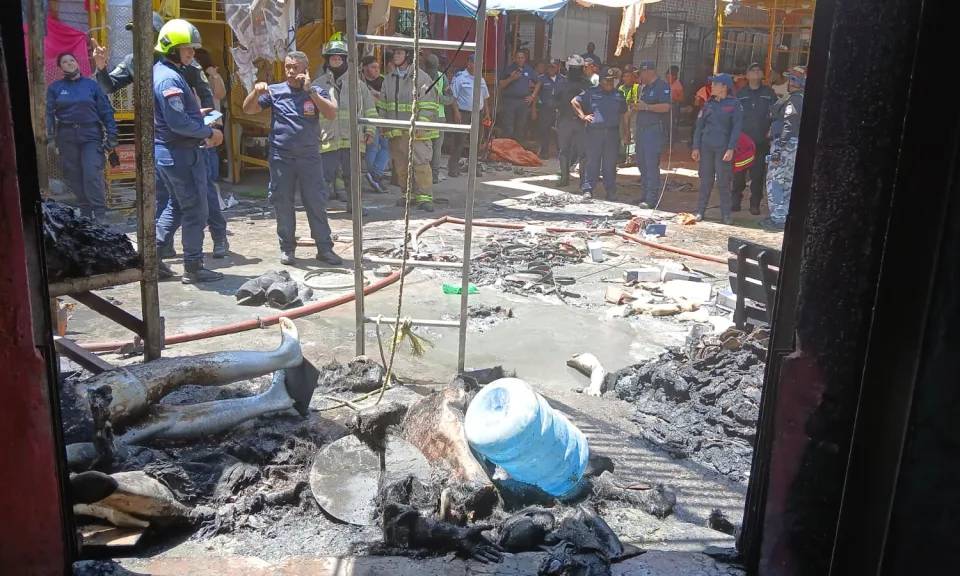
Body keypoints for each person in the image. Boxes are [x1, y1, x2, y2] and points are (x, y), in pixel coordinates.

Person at [242, 51, 341, 265]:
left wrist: (310, 92)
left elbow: (332, 113)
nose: (290, 71)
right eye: (287, 66)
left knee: (315, 202)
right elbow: (248, 109)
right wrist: (254, 92)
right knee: (283, 202)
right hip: (281, 157)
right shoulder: (276, 91)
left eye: (295, 67)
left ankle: (324, 248)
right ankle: (287, 249)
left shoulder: (316, 90)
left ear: (305, 69)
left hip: (309, 157)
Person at [152, 19, 225, 283]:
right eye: (187, 49)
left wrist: (198, 115)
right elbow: (178, 122)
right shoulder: (170, 77)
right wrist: (209, 132)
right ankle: (193, 267)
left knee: (177, 206)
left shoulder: (166, 71)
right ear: (172, 48)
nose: (192, 54)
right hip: (180, 154)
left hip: (171, 153)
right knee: (195, 210)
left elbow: (180, 115)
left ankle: (152, 258)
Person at [46, 53, 117, 223]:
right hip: (66, 137)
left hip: (91, 135)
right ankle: (85, 211)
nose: (69, 63)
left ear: (78, 63)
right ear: (60, 67)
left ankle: (100, 214)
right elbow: (48, 114)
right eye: (64, 62)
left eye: (72, 60)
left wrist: (112, 136)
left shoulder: (91, 86)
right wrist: (50, 138)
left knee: (91, 172)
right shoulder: (55, 88)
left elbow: (106, 111)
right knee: (73, 175)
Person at [312, 38, 375, 214]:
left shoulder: (358, 85)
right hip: (327, 140)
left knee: (353, 177)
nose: (336, 60)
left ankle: (354, 207)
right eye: (333, 57)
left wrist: (370, 130)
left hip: (352, 140)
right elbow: (311, 113)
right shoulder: (317, 85)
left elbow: (370, 110)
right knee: (323, 177)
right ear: (327, 60)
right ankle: (318, 209)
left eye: (340, 57)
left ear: (346, 59)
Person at [376, 42, 441, 211]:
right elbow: (383, 104)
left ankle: (425, 198)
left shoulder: (421, 78)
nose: (395, 56)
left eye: (399, 53)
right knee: (401, 166)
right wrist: (383, 124)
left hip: (418, 133)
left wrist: (421, 125)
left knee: (420, 165)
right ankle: (408, 195)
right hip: (397, 133)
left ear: (408, 56)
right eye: (394, 53)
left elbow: (428, 105)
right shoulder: (388, 80)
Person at [692, 73, 743, 224]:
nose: (712, 86)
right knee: (705, 181)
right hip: (706, 147)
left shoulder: (734, 104)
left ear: (724, 87)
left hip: (723, 149)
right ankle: (700, 211)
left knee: (723, 182)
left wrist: (731, 148)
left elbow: (736, 128)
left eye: (715, 84)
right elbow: (699, 127)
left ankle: (726, 215)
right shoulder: (709, 104)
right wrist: (696, 147)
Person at [571, 69, 627, 200]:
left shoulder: (619, 94)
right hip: (594, 133)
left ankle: (610, 191)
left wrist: (626, 132)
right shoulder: (591, 92)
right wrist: (583, 116)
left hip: (612, 134)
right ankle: (588, 189)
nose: (610, 83)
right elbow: (574, 101)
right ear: (601, 81)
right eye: (607, 80)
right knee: (592, 162)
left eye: (612, 80)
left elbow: (624, 114)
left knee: (610, 164)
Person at [763, 66, 805, 230]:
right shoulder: (797, 98)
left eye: (792, 79)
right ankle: (783, 217)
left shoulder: (795, 100)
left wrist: (779, 146)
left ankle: (778, 218)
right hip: (791, 145)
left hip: (786, 144)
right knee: (786, 181)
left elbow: (789, 123)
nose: (789, 82)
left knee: (775, 181)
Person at [733, 62, 775, 215]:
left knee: (757, 176)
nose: (756, 72)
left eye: (759, 70)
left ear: (762, 74)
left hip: (760, 142)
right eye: (753, 70)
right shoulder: (741, 93)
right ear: (747, 74)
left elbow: (775, 115)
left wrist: (771, 131)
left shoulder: (769, 93)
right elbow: (735, 117)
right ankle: (735, 201)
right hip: (743, 143)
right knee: (739, 174)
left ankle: (755, 204)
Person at [632, 61, 672, 208]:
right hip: (642, 129)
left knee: (651, 165)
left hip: (653, 131)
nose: (640, 76)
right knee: (641, 163)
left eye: (641, 73)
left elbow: (666, 107)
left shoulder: (662, 87)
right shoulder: (644, 88)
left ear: (649, 72)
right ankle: (644, 195)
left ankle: (651, 198)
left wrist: (647, 107)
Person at [447, 55, 490, 178]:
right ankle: (453, 167)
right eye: (476, 63)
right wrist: (456, 112)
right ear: (469, 63)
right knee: (459, 141)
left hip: (478, 113)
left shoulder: (481, 79)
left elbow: (485, 97)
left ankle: (473, 167)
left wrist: (487, 113)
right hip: (463, 113)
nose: (479, 66)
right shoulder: (460, 78)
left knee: (476, 141)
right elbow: (453, 97)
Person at [555, 55, 592, 188]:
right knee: (565, 151)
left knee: (582, 153)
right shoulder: (563, 83)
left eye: (578, 68)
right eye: (574, 68)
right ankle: (565, 178)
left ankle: (582, 181)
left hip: (580, 122)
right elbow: (554, 101)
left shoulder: (587, 84)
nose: (576, 71)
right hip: (567, 120)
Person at [361, 55, 389, 194]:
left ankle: (375, 174)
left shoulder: (384, 81)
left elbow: (386, 100)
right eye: (373, 67)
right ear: (364, 68)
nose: (377, 70)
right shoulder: (360, 81)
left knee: (386, 147)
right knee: (372, 147)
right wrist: (375, 97)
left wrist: (376, 96)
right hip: (368, 119)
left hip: (383, 118)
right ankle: (375, 176)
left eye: (378, 67)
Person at [424, 53, 453, 184]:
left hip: (424, 117)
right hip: (437, 118)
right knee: (436, 149)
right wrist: (440, 98)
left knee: (423, 147)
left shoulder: (419, 76)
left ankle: (426, 175)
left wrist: (437, 97)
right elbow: (450, 98)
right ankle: (433, 175)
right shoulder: (442, 77)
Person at [497, 49, 535, 142]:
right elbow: (501, 85)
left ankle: (517, 152)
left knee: (520, 128)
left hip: (523, 102)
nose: (520, 59)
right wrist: (511, 78)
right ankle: (506, 151)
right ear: (514, 58)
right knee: (508, 128)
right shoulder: (508, 69)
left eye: (522, 58)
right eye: (518, 57)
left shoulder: (529, 69)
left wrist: (532, 96)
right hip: (510, 102)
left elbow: (538, 82)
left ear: (525, 59)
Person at [531, 60, 565, 159]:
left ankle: (560, 152)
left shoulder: (563, 79)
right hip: (545, 109)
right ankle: (544, 152)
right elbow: (535, 95)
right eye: (549, 67)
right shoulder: (541, 79)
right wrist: (533, 109)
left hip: (558, 110)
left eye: (553, 67)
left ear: (558, 68)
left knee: (559, 131)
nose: (551, 69)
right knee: (544, 131)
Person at [618, 66, 639, 164]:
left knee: (632, 133)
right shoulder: (621, 88)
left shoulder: (637, 87)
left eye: (628, 76)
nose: (626, 78)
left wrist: (630, 113)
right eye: (624, 76)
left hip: (633, 112)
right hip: (622, 112)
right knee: (622, 133)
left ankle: (631, 156)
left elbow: (636, 101)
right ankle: (622, 155)